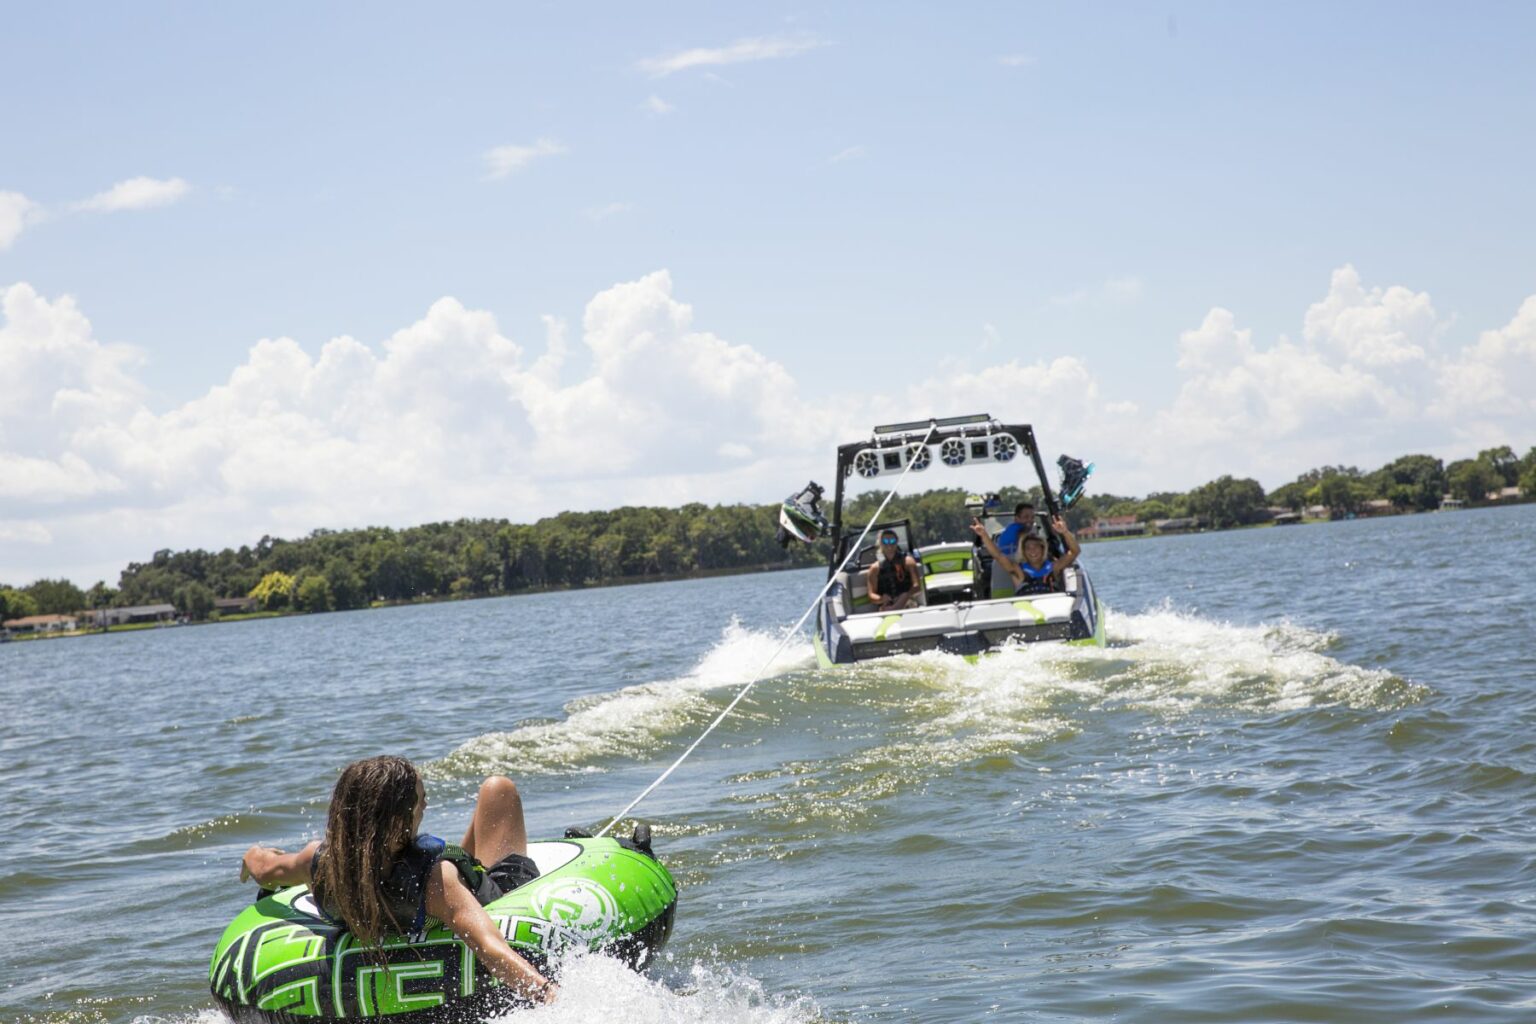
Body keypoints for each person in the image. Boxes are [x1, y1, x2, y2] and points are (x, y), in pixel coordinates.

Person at [239, 756, 557, 1004]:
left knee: (461, 855)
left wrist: (251, 855)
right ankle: (470, 861)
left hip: (443, 890)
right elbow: (490, 948)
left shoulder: (318, 864)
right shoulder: (436, 879)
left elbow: (263, 866)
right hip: (498, 892)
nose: (426, 806)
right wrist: (550, 996)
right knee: (497, 789)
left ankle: (467, 862)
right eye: (420, 800)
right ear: (397, 820)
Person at [970, 513, 1079, 596]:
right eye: (1028, 548)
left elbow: (1074, 552)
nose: (1032, 551)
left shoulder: (1054, 567)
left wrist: (1065, 532)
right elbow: (998, 555)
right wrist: (984, 535)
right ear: (1023, 551)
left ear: (1043, 548)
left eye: (1036, 547)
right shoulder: (1018, 570)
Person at [866, 528, 921, 611]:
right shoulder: (874, 568)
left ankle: (895, 608)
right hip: (887, 604)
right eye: (885, 541)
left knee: (905, 596)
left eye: (892, 541)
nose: (889, 545)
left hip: (907, 602)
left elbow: (917, 586)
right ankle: (892, 610)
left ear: (897, 541)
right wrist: (881, 599)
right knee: (886, 608)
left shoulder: (908, 562)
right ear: (880, 543)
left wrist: (904, 596)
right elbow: (871, 595)